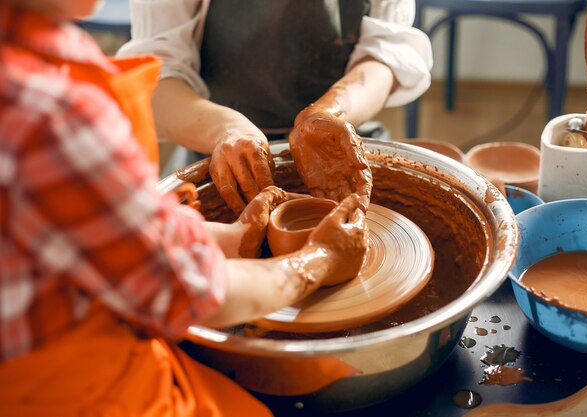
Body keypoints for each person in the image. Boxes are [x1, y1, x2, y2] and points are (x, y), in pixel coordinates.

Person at [0, 1, 368, 415]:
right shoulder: (50, 112)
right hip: (68, 389)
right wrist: (320, 259)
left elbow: (80, 225)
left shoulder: (41, 48)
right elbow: (194, 293)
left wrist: (232, 237)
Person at [118, 0, 433, 214]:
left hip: (340, 143)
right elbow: (156, 78)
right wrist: (226, 129)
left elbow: (386, 55)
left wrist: (325, 117)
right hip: (223, 149)